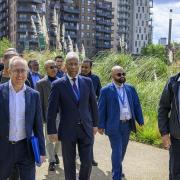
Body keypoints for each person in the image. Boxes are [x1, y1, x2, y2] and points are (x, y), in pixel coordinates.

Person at [47, 52, 99, 180]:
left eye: (76, 64)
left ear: (79, 65)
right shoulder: (58, 85)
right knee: (69, 164)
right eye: (70, 64)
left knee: (87, 163)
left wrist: (95, 124)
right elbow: (51, 110)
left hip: (86, 129)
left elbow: (93, 104)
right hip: (67, 130)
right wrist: (51, 131)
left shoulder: (88, 82)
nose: (74, 67)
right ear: (65, 65)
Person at [0, 56, 46, 180]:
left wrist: (42, 151)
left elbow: (38, 125)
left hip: (25, 148)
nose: (20, 74)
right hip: (4, 148)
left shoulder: (34, 95)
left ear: (27, 72)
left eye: (23, 70)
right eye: (16, 70)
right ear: (9, 72)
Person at [98, 66, 144, 180]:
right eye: (119, 74)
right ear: (112, 76)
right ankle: (116, 176)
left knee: (122, 151)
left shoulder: (130, 89)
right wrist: (100, 125)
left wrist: (140, 120)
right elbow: (101, 109)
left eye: (123, 74)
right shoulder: (105, 90)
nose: (122, 76)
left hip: (127, 125)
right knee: (117, 151)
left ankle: (117, 167)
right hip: (114, 125)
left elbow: (137, 105)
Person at [36, 60, 61, 171]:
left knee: (60, 138)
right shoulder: (40, 83)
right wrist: (42, 118)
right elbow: (39, 102)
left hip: (61, 115)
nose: (54, 68)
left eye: (55, 66)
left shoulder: (61, 81)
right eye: (51, 67)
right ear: (46, 69)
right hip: (48, 116)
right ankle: (51, 160)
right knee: (49, 138)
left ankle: (55, 154)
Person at [158, 72, 180, 180]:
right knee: (175, 173)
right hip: (177, 139)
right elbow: (163, 108)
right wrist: (164, 133)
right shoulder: (173, 82)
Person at [80, 59, 102, 166]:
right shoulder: (76, 78)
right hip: (78, 113)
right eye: (82, 67)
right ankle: (79, 156)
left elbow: (100, 94)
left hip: (91, 112)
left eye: (86, 67)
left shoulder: (95, 79)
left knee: (90, 137)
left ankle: (90, 157)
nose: (83, 69)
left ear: (90, 68)